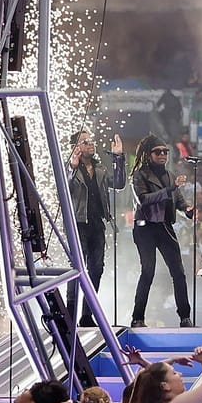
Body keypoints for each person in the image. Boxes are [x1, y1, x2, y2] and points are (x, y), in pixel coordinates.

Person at [130, 134, 193, 327]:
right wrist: (169, 190)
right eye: (158, 152)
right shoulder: (139, 175)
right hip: (145, 228)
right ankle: (138, 318)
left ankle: (185, 317)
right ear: (148, 154)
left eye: (165, 151)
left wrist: (187, 209)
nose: (163, 155)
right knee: (147, 272)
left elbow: (179, 200)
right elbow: (144, 199)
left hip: (165, 227)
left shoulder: (169, 176)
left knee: (179, 273)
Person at [68, 128, 126, 326]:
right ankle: (69, 313)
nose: (90, 144)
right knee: (77, 269)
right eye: (85, 142)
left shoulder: (100, 169)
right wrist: (72, 168)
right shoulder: (70, 169)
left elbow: (119, 184)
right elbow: (64, 191)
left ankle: (86, 314)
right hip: (78, 223)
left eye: (91, 141)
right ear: (76, 148)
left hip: (97, 224)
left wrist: (118, 158)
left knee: (97, 269)